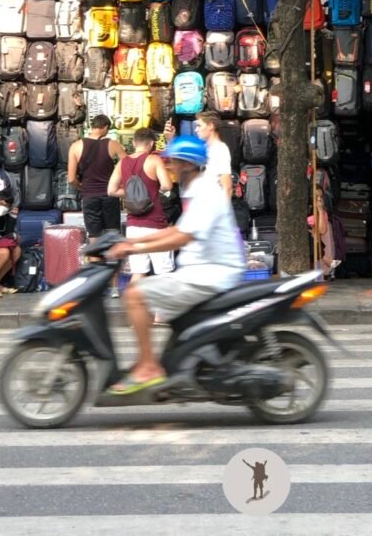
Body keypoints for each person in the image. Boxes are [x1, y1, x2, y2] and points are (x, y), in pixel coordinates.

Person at [106, 135, 245, 394]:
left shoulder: (205, 192)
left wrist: (136, 246)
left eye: (174, 161)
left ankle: (149, 367)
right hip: (201, 270)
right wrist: (134, 244)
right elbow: (176, 231)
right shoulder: (194, 189)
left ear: (188, 164)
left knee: (135, 294)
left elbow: (181, 237)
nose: (168, 165)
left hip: (210, 273)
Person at [68, 115, 125, 297]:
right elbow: (127, 165)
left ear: (92, 126)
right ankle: (115, 287)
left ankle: (96, 287)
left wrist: (82, 187)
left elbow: (71, 178)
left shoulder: (76, 146)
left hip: (89, 197)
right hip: (109, 196)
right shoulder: (113, 144)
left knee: (94, 241)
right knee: (112, 240)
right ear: (106, 127)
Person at [107, 127, 174, 281]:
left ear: (134, 142)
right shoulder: (154, 160)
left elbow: (111, 190)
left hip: (133, 225)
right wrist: (152, 190)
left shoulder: (122, 163)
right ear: (151, 143)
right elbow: (167, 186)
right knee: (164, 273)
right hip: (155, 223)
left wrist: (132, 193)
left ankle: (131, 305)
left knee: (138, 272)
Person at [166, 111, 232, 198]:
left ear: (211, 126)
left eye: (199, 125)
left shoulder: (220, 149)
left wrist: (223, 209)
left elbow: (227, 186)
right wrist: (170, 139)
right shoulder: (202, 147)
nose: (196, 130)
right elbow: (180, 163)